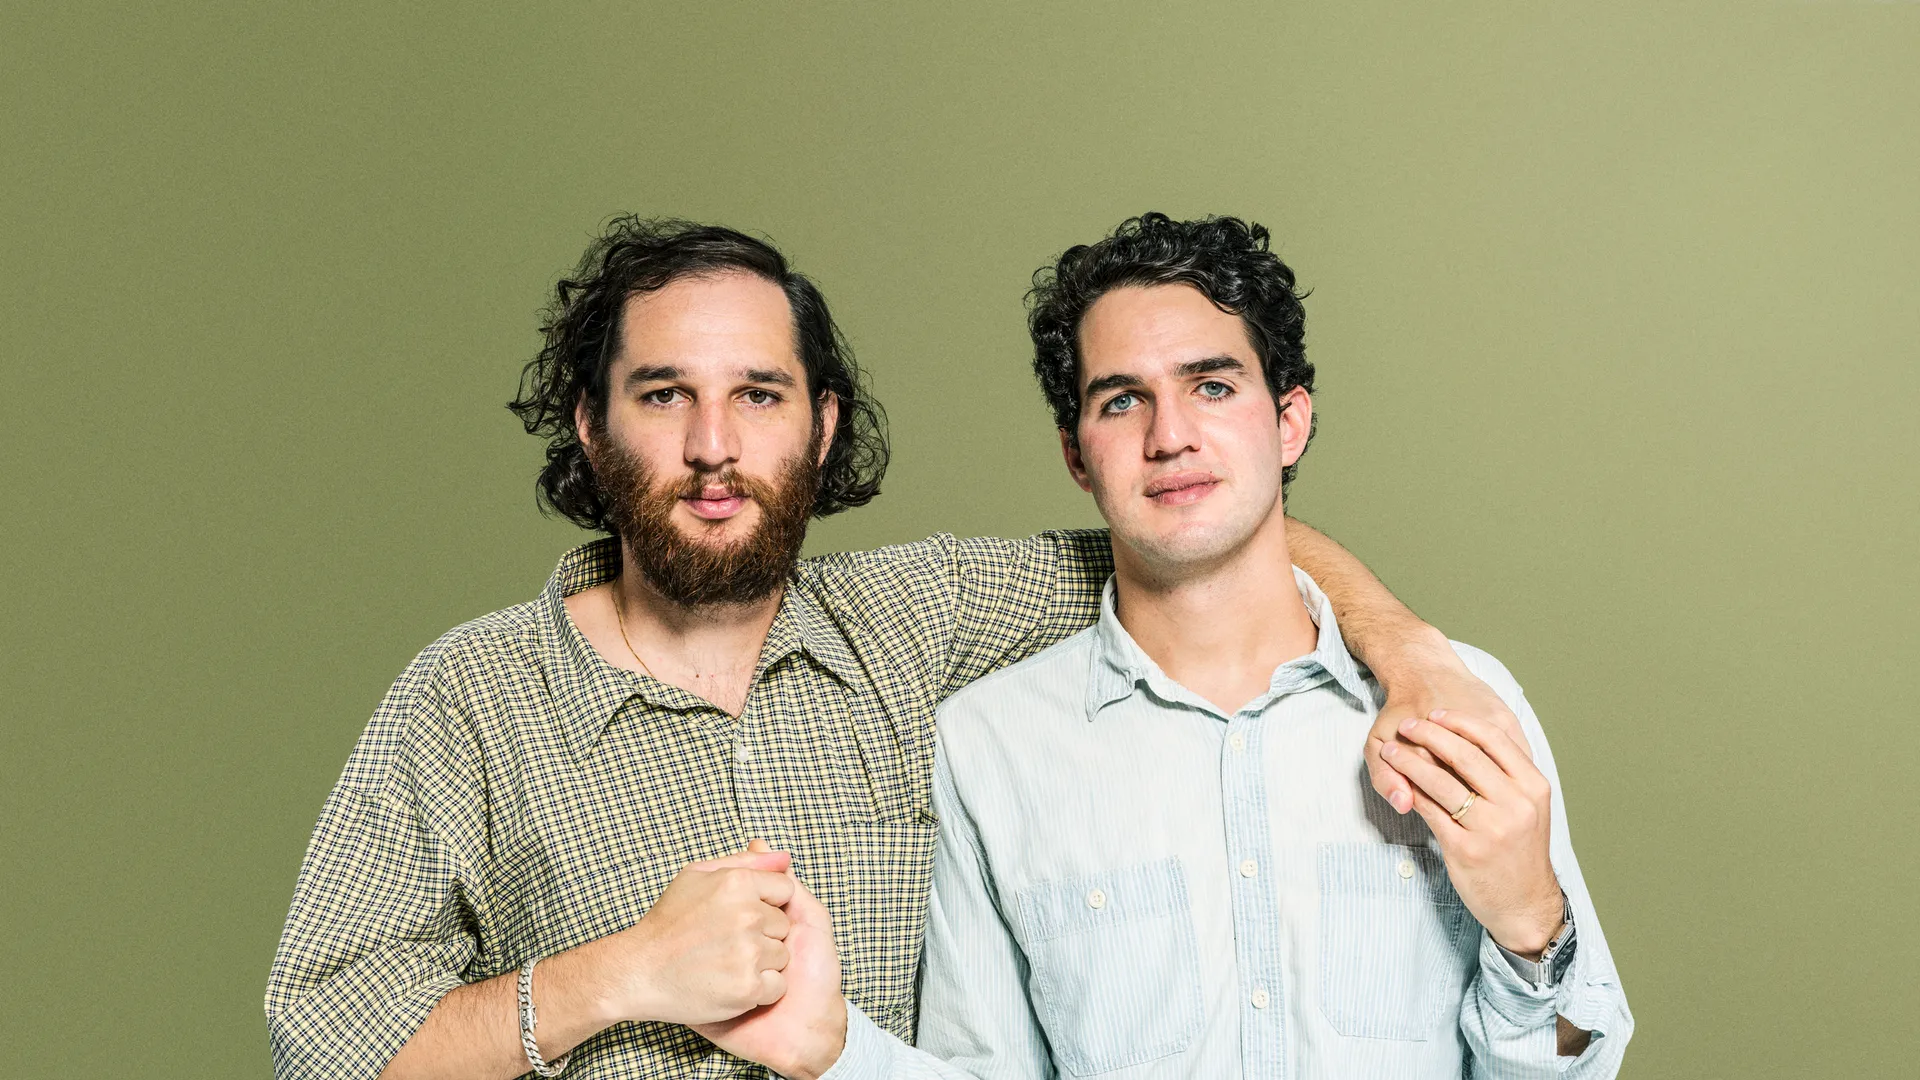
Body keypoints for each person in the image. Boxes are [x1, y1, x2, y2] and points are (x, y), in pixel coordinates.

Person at [265, 216, 1516, 1080]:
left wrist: (1412, 656)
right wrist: (624, 975)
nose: (713, 446)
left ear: (821, 428)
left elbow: (1205, 526)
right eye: (664, 395)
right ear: (591, 429)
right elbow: (326, 1047)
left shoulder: (924, 622)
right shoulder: (470, 699)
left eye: (758, 395)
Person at [702, 214, 1633, 1079]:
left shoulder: (1455, 700)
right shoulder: (992, 744)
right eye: (1121, 402)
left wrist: (1531, 924)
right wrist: (836, 1051)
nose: (1171, 436)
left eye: (1212, 386)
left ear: (1290, 421)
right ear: (1077, 455)